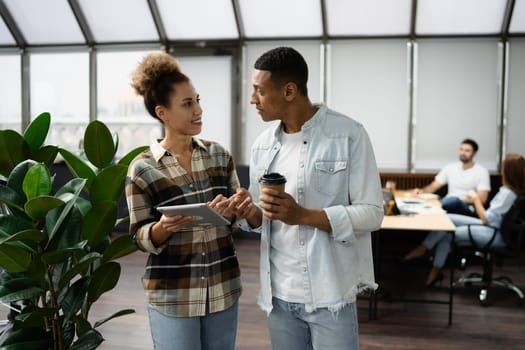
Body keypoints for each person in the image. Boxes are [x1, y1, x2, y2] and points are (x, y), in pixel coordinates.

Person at [232, 46, 384, 350]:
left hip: (331, 295)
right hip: (278, 296)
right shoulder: (262, 145)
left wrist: (302, 215)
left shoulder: (348, 134)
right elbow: (262, 220)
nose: (252, 100)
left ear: (289, 91)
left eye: (259, 91)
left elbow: (372, 214)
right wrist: (248, 212)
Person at [125, 52, 242, 350]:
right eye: (188, 104)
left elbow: (237, 220)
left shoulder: (219, 155)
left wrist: (233, 211)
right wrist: (162, 229)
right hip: (173, 294)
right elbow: (139, 235)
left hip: (222, 288)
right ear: (162, 112)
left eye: (198, 100)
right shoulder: (143, 168)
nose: (198, 110)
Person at [404, 153, 525, 286]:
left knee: (447, 231)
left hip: (494, 233)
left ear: (509, 172)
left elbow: (485, 219)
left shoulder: (507, 194)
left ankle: (431, 263)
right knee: (446, 219)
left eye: (503, 169)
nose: (501, 171)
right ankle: (427, 253)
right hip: (494, 227)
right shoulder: (511, 191)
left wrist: (475, 199)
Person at [414, 139, 490, 217]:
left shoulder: (482, 171)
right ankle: (426, 208)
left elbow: (482, 199)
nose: (463, 153)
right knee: (443, 199)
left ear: (474, 153)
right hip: (447, 203)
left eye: (467, 150)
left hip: (466, 207)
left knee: (454, 200)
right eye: (461, 149)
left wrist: (462, 201)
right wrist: (422, 191)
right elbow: (434, 186)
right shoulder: (450, 167)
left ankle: (428, 208)